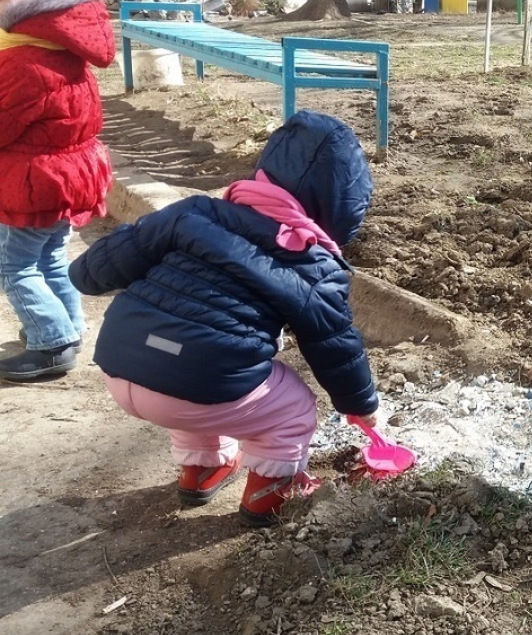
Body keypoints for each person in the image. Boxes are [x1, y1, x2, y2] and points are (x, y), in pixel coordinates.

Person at [70, 111, 380, 526]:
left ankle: (202, 469)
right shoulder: (314, 266)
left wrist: (85, 272)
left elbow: (90, 273)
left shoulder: (194, 212)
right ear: (341, 208)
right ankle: (272, 492)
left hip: (119, 360)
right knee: (292, 406)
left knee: (197, 363)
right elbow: (335, 347)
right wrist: (361, 406)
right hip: (192, 382)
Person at [0, 0, 115, 381]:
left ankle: (52, 342)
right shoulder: (63, 49)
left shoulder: (22, 62)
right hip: (68, 178)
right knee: (48, 257)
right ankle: (67, 326)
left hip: (37, 184)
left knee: (13, 266)